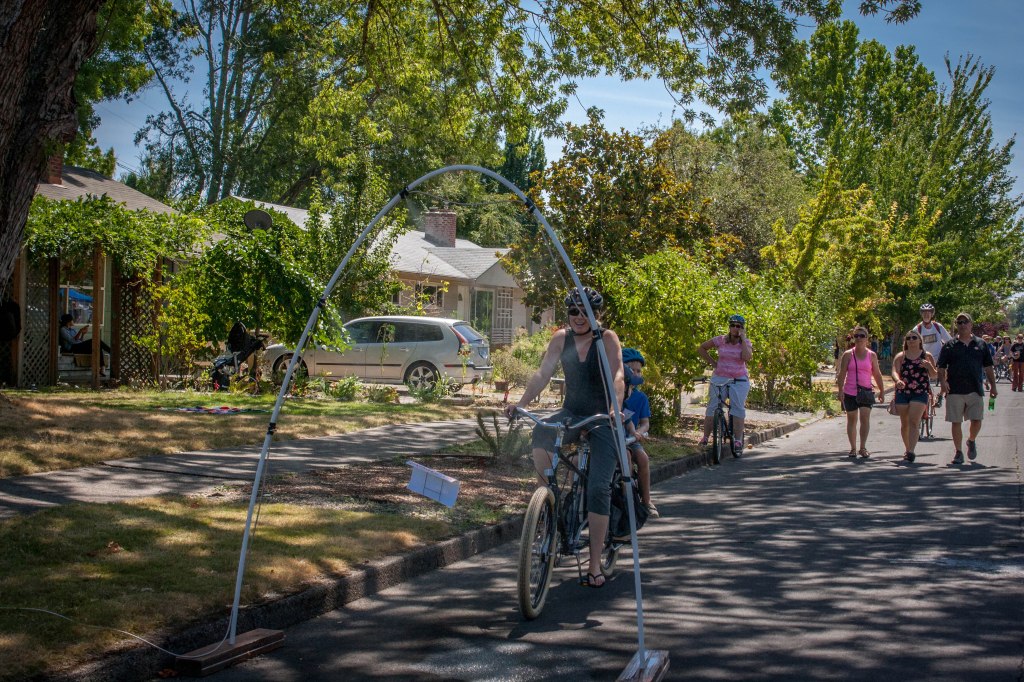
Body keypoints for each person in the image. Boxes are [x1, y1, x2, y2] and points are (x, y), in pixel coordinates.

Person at [504, 287, 624, 589]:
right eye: (574, 311)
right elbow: (543, 373)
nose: (579, 317)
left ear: (597, 314)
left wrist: (615, 408)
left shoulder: (607, 339)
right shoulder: (561, 338)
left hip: (602, 418)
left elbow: (618, 376)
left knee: (598, 488)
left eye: (586, 312)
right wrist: (521, 404)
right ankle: (547, 497)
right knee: (541, 431)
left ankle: (594, 565)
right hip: (572, 411)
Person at [936, 312, 996, 464]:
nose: (962, 325)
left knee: (977, 420)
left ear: (971, 324)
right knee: (956, 421)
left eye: (965, 322)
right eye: (959, 322)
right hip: (954, 389)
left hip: (975, 388)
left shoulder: (981, 344)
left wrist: (993, 387)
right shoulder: (949, 345)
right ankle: (958, 451)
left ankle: (971, 440)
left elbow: (988, 367)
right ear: (957, 325)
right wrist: (943, 382)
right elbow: (941, 367)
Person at [697, 314, 753, 452]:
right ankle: (705, 437)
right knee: (713, 407)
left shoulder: (746, 343)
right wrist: (713, 363)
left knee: (737, 408)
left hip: (739, 379)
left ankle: (738, 440)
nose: (735, 328)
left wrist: (743, 340)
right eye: (732, 325)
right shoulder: (720, 340)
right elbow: (702, 348)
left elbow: (747, 357)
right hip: (720, 377)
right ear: (729, 327)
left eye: (738, 326)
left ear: (742, 328)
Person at [835, 325, 886, 458]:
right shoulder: (848, 355)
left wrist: (882, 390)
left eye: (862, 336)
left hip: (866, 391)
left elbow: (877, 374)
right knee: (852, 419)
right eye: (856, 336)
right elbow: (842, 374)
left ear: (867, 339)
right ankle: (853, 448)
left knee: (865, 418)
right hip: (850, 391)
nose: (858, 338)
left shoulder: (871, 355)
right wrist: (840, 390)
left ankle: (862, 447)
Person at [621, 347, 658, 518]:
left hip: (630, 438)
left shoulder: (641, 398)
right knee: (626, 458)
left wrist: (639, 432)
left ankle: (646, 500)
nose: (635, 374)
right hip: (612, 437)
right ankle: (624, 498)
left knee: (642, 458)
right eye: (631, 370)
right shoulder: (613, 392)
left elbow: (645, 423)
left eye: (638, 371)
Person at [891, 329, 938, 462]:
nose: (911, 340)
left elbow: (934, 375)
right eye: (908, 338)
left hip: (920, 391)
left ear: (920, 341)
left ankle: (911, 451)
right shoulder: (901, 356)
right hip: (903, 391)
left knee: (914, 421)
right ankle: (907, 449)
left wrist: (929, 367)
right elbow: (894, 371)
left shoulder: (926, 356)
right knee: (905, 422)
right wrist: (897, 380)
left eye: (914, 338)